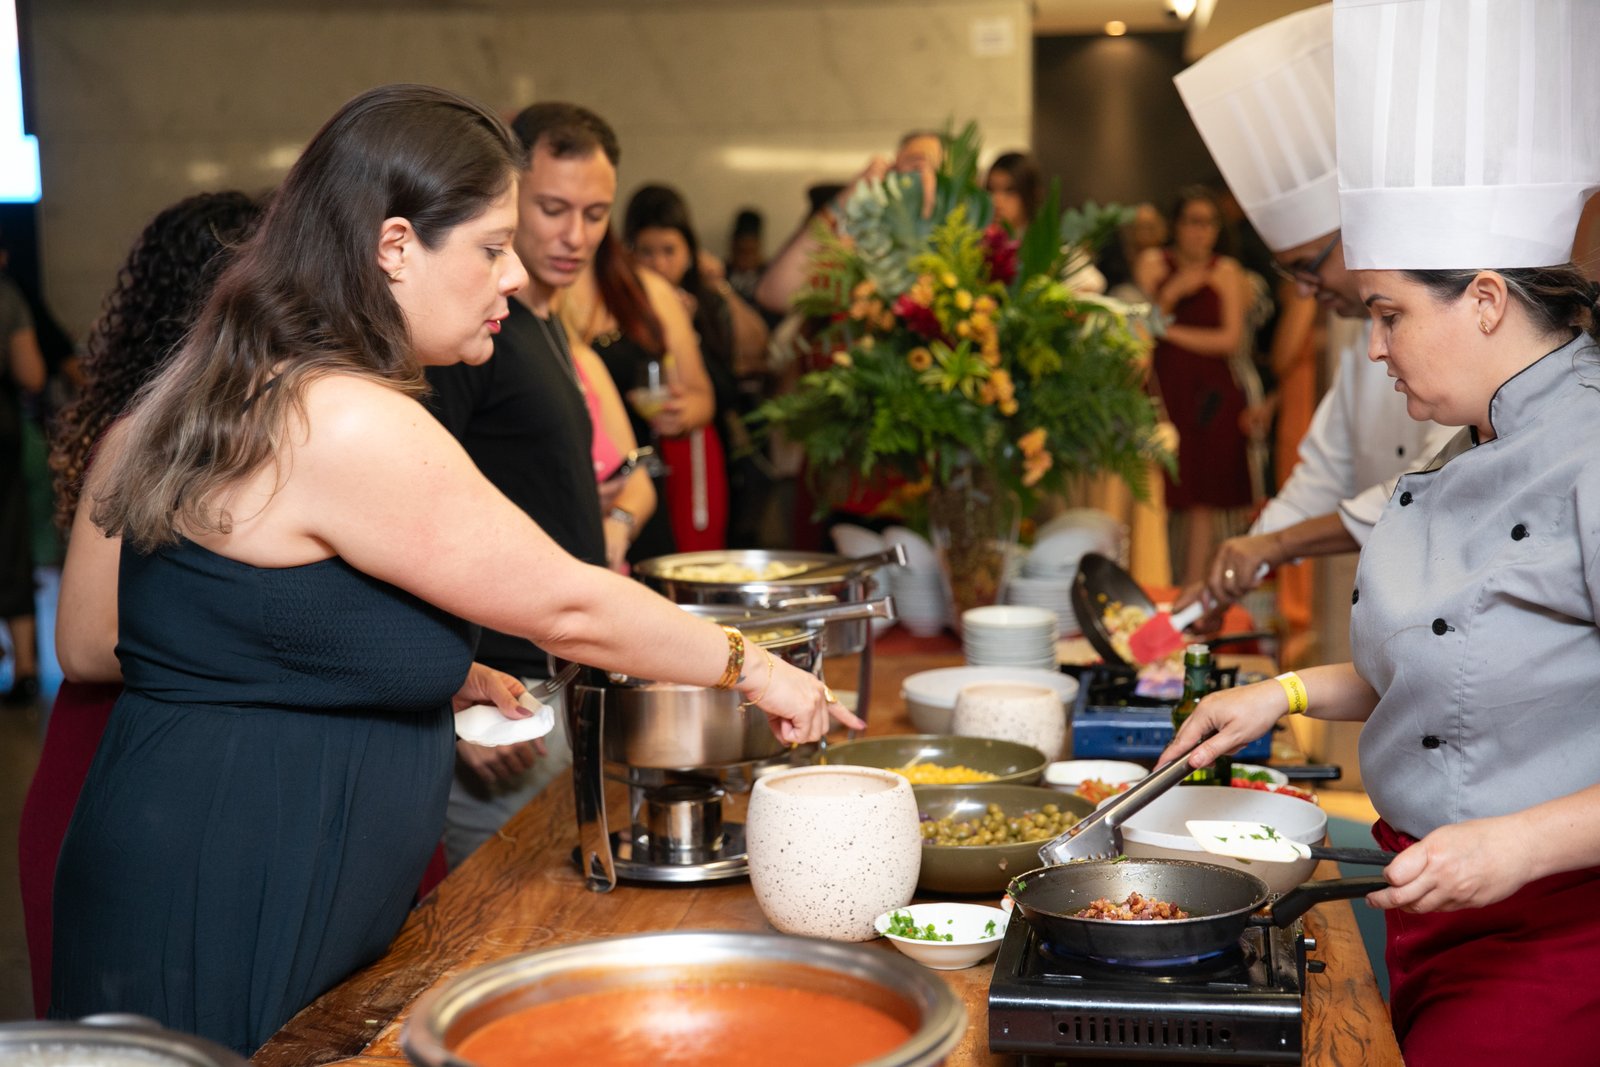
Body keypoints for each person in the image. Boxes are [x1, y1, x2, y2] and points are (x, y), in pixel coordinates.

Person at [47, 84, 858, 1054]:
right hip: (233, 878)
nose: (514, 274)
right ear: (395, 246)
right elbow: (567, 603)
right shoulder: (342, 415)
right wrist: (756, 667)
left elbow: (270, 620)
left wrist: (438, 666)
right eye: (491, 245)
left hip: (212, 850)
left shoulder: (273, 379)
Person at [1166, 1, 1600, 1061]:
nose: (1371, 347)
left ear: (1485, 299)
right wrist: (1279, 693)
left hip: (1555, 930)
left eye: (1388, 313)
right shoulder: (1467, 445)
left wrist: (1515, 844)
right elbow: (1458, 665)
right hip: (1428, 898)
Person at [17, 191, 264, 1017]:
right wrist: (281, 642)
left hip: (202, 778)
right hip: (113, 773)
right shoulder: (143, 433)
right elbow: (86, 642)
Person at [1169, 3, 1452, 623]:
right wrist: (1237, 563)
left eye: (1308, 266)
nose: (1302, 292)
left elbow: (1434, 484)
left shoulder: (1455, 324)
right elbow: (1323, 471)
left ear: (1356, 235)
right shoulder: (1357, 341)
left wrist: (1276, 546)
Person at [624, 183, 771, 548]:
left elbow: (745, 363)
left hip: (697, 445)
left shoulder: (707, 302)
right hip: (636, 447)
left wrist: (710, 297)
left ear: (690, 252)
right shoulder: (619, 308)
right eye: (646, 252)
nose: (659, 264)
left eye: (669, 251)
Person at [1134, 186, 1251, 585]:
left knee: (1204, 496)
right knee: (1158, 489)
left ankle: (1191, 586)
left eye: (1209, 223)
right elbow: (1143, 327)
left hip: (1210, 392)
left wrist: (1171, 333)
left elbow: (1230, 340)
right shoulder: (1153, 263)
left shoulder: (1227, 271)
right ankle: (1153, 580)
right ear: (1176, 225)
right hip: (1164, 387)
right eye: (1192, 222)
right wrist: (1174, 292)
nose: (1201, 232)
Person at [754, 130, 942, 316]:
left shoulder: (957, 248)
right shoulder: (859, 237)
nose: (924, 178)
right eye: (914, 165)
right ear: (891, 170)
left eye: (935, 170)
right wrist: (851, 195)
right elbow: (774, 295)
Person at [0, 228, 46, 706]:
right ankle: (27, 667)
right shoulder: (7, 297)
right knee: (10, 543)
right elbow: (31, 373)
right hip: (1, 436)